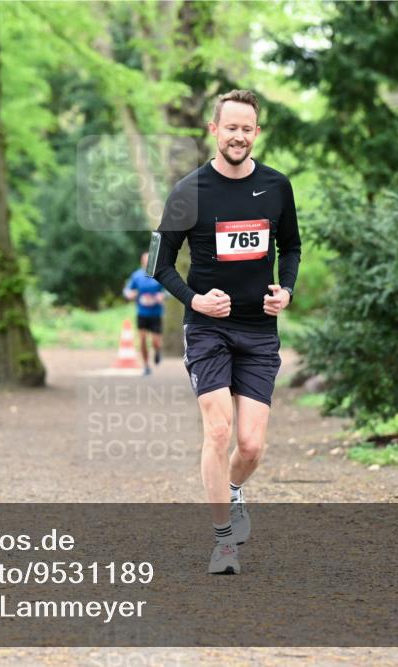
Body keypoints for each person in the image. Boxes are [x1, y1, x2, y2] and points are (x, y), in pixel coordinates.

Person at [153, 89, 301, 574]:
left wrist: (288, 290)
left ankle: (234, 489)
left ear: (256, 133)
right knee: (218, 430)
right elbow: (161, 263)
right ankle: (223, 543)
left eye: (247, 128)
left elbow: (292, 248)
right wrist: (194, 300)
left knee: (252, 446)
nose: (238, 136)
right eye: (230, 127)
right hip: (207, 330)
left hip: (259, 330)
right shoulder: (188, 192)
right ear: (214, 131)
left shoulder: (277, 187)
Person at [123, 252, 166, 375]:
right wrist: (129, 294)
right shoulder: (136, 276)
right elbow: (127, 290)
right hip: (142, 313)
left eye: (149, 260)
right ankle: (146, 365)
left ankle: (157, 351)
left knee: (155, 342)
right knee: (142, 340)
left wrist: (162, 295)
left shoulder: (159, 275)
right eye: (145, 260)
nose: (147, 262)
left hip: (156, 313)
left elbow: (168, 291)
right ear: (142, 261)